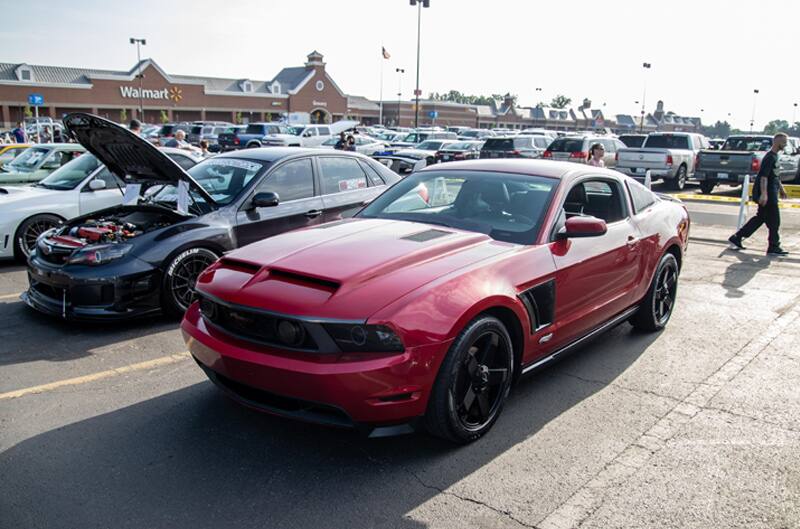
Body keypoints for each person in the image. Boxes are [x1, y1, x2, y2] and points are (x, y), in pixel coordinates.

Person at [728, 132, 789, 256]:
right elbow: (763, 177)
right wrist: (764, 194)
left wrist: (781, 189)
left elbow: (775, 176)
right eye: (784, 142)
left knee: (760, 218)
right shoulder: (769, 157)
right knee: (774, 221)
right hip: (768, 194)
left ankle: (737, 237)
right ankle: (773, 246)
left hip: (772, 192)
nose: (785, 144)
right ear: (777, 142)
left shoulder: (775, 157)